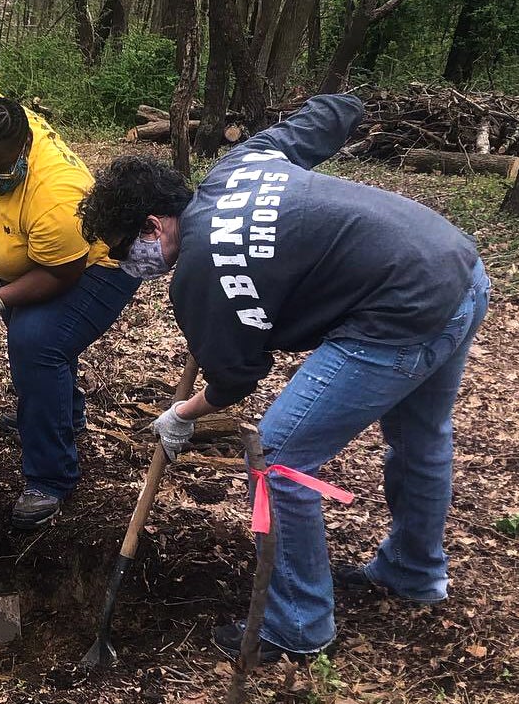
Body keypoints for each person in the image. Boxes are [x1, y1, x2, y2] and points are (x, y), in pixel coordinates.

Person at [78, 93, 489, 662]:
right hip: (455, 265)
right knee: (421, 439)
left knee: (278, 459)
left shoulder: (197, 272)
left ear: (153, 224)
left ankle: (298, 624)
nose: (131, 263)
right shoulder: (239, 164)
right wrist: (343, 100)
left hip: (398, 313)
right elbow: (333, 114)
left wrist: (182, 414)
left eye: (128, 249)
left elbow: (237, 378)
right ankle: (413, 573)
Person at [0, 74, 141, 528]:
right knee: (35, 344)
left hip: (97, 264)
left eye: (2, 171)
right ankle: (59, 412)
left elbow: (62, 273)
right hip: (37, 258)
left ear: (25, 147)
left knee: (36, 342)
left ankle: (50, 478)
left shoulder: (58, 199)